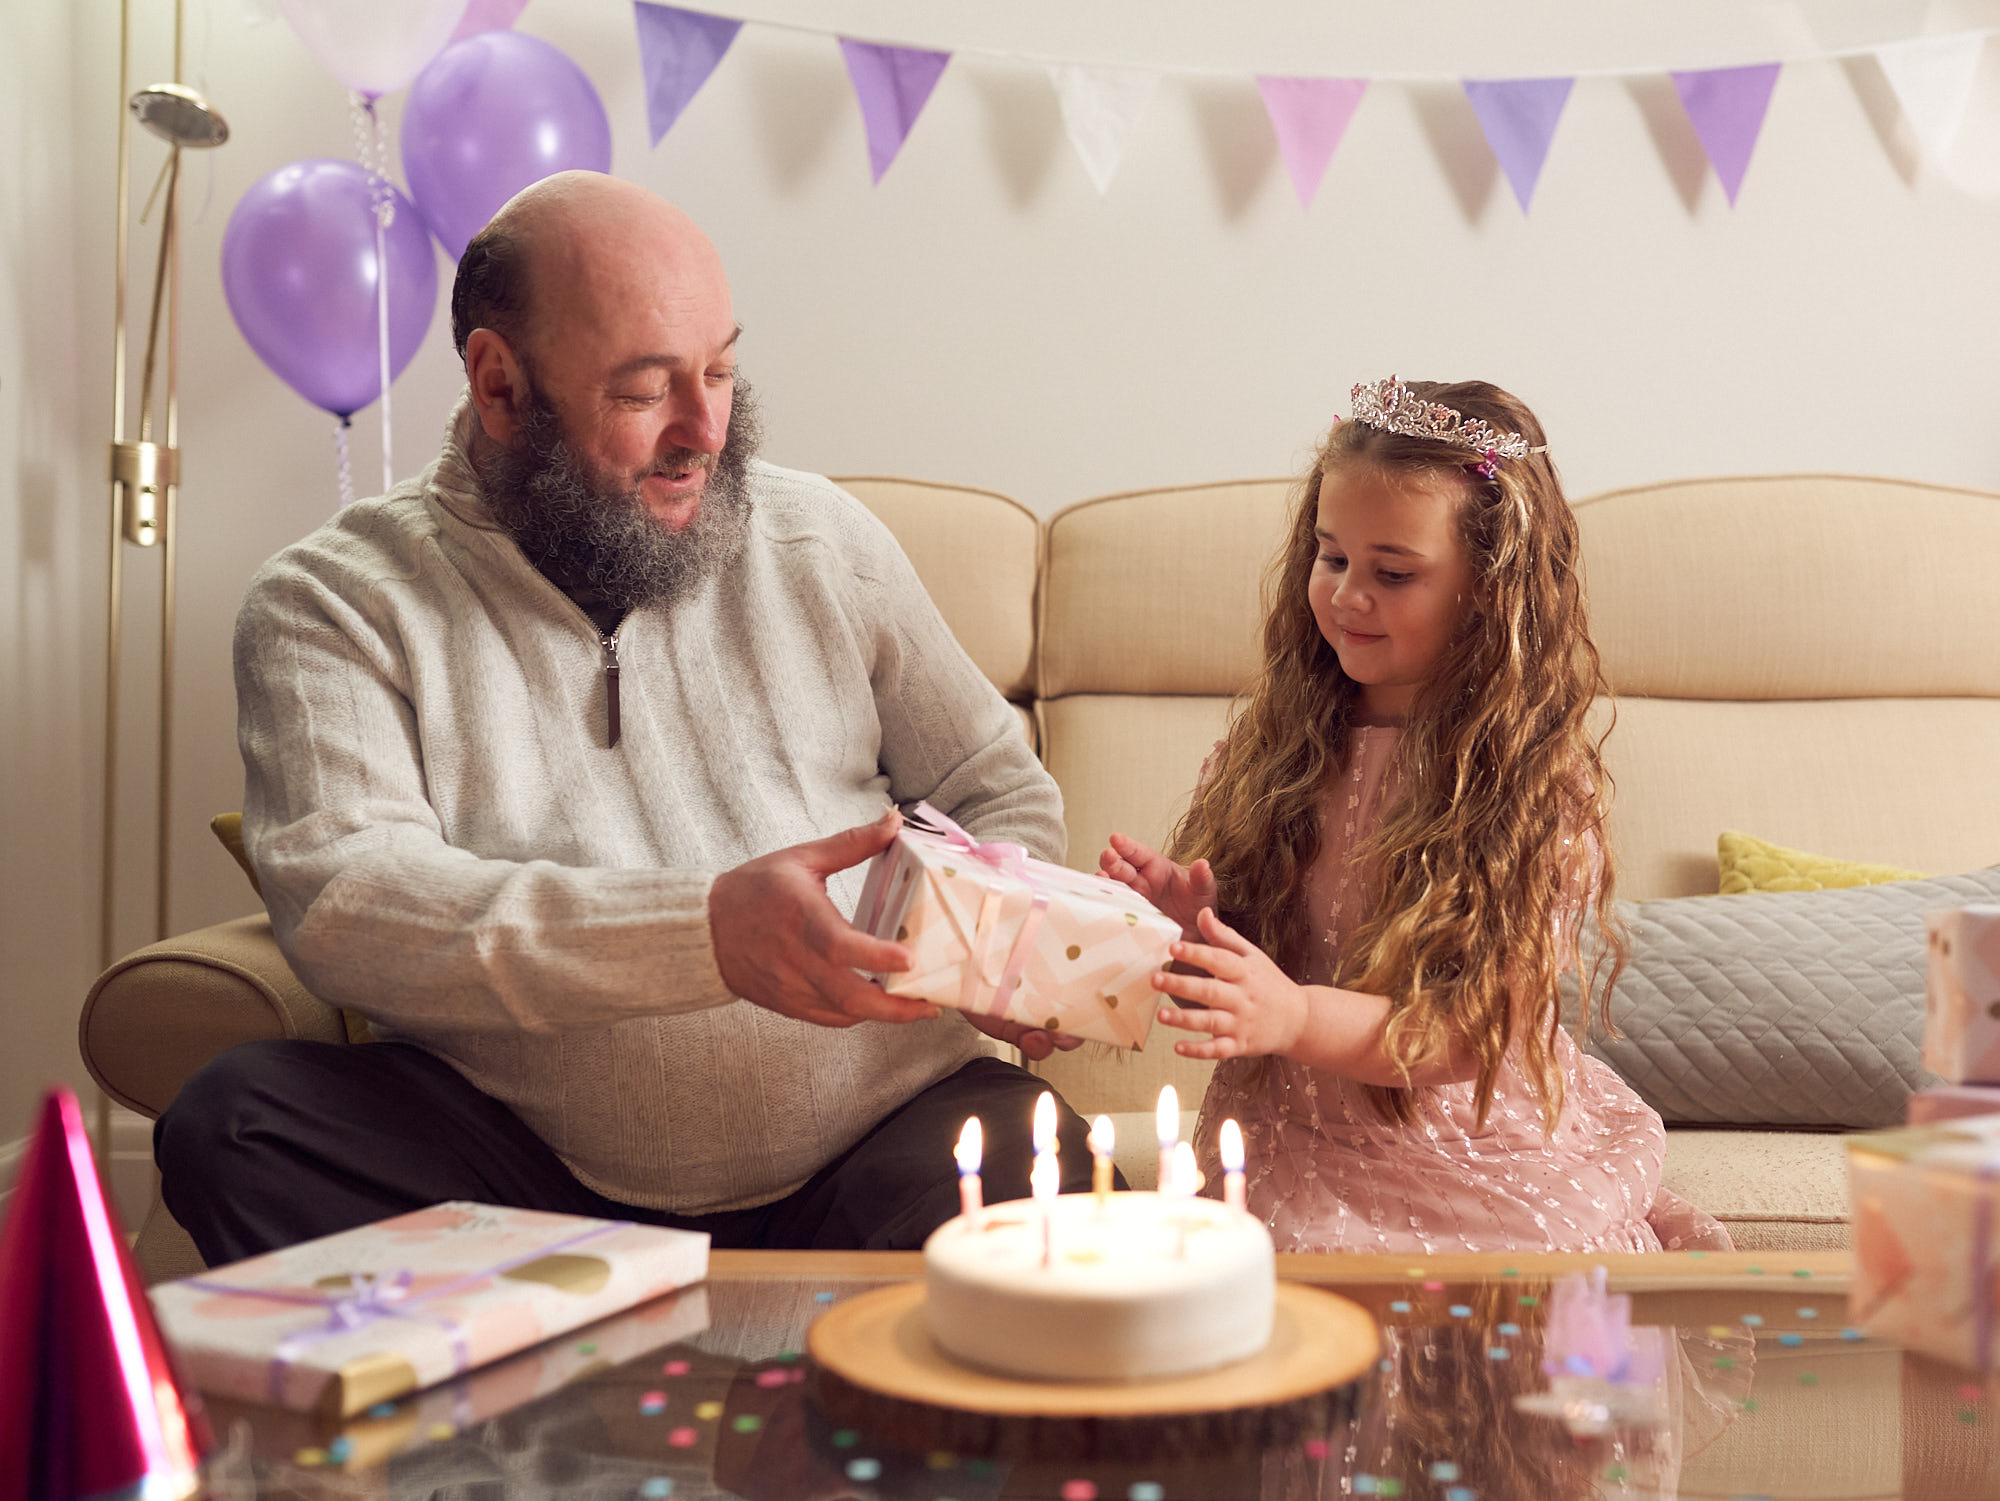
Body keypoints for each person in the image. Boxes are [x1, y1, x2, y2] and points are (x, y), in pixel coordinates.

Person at [157, 172, 1097, 1265]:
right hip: (522, 1178)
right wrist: (702, 934)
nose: (704, 428)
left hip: (873, 1143)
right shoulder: (331, 600)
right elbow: (348, 903)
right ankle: (549, 1403)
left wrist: (1003, 952)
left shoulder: (820, 539)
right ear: (500, 387)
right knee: (236, 1123)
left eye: (720, 370)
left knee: (1052, 1168)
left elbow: (994, 783)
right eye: (646, 389)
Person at [1100, 377, 1729, 1253]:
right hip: (1294, 1140)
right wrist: (1191, 923)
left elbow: (1474, 1031)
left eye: (1394, 572)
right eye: (1331, 557)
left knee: (1510, 1285)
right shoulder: (1279, 742)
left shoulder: (1527, 789)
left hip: (1468, 1148)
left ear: (1492, 587)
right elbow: (1269, 961)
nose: (1349, 595)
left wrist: (1295, 1017)